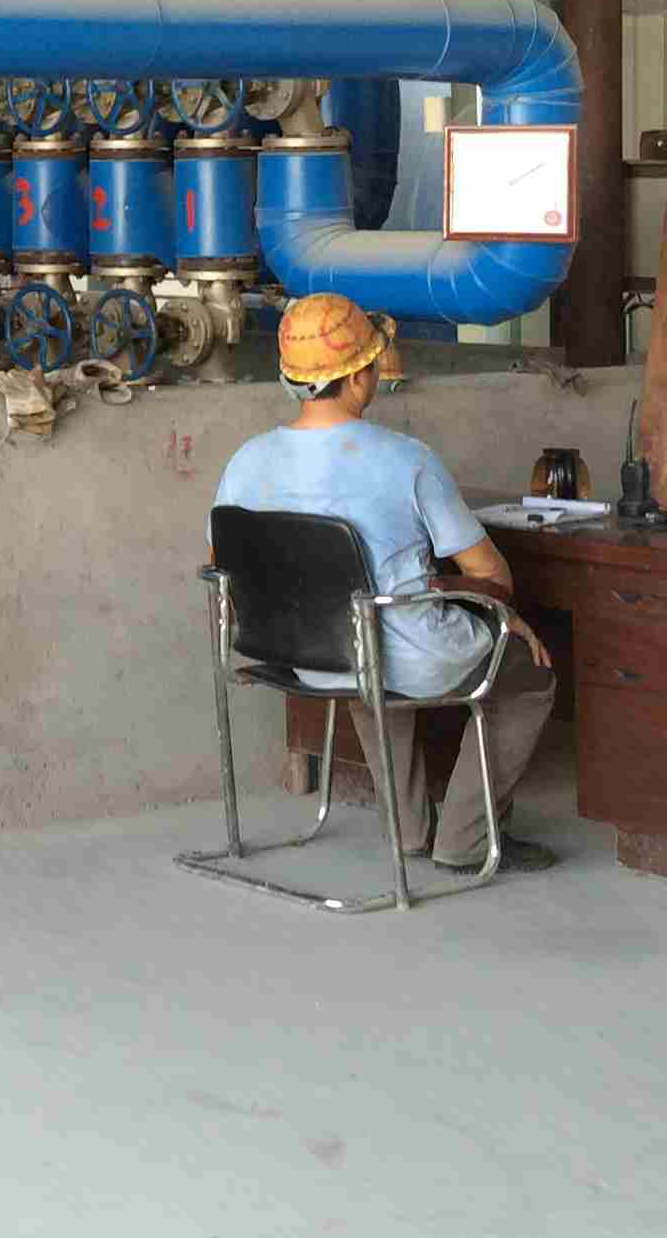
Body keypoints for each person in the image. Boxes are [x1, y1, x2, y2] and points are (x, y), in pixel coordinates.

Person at [208, 293, 559, 874]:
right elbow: (489, 573)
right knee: (529, 676)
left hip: (304, 656)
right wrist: (506, 615)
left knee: (362, 648)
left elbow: (224, 562)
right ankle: (465, 840)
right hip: (400, 654)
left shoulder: (246, 461)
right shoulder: (406, 460)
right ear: (357, 377)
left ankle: (409, 832)